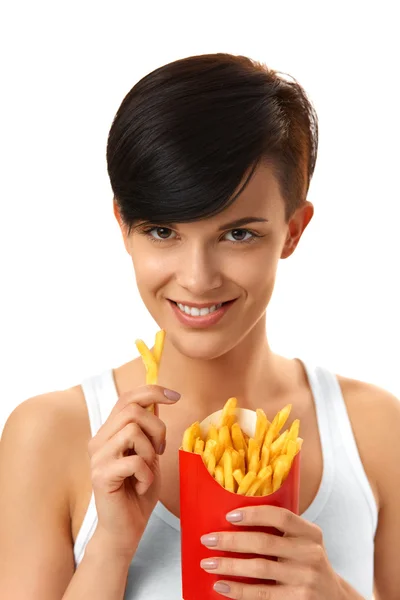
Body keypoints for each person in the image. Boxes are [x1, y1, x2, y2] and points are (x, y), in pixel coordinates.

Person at [0, 52, 398, 600]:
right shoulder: (48, 435)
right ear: (124, 225)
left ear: (293, 231)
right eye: (163, 231)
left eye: (239, 234)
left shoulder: (374, 431)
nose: (197, 278)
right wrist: (112, 545)